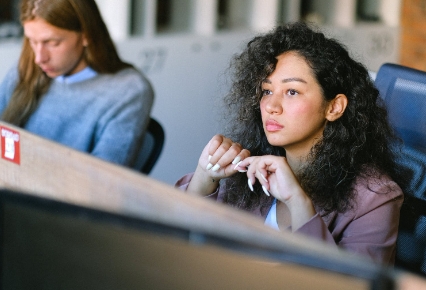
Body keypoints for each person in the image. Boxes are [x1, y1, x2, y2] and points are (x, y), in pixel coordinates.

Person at [176, 22, 405, 265]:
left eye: (292, 91)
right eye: (266, 91)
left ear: (334, 107)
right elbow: (173, 249)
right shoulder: (246, 167)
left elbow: (355, 284)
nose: (271, 106)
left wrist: (298, 201)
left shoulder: (374, 198)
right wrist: (203, 181)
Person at [0, 0, 154, 169]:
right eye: (32, 41)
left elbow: (102, 182)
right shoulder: (24, 70)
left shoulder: (127, 91)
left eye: (53, 43)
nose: (39, 58)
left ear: (86, 35)